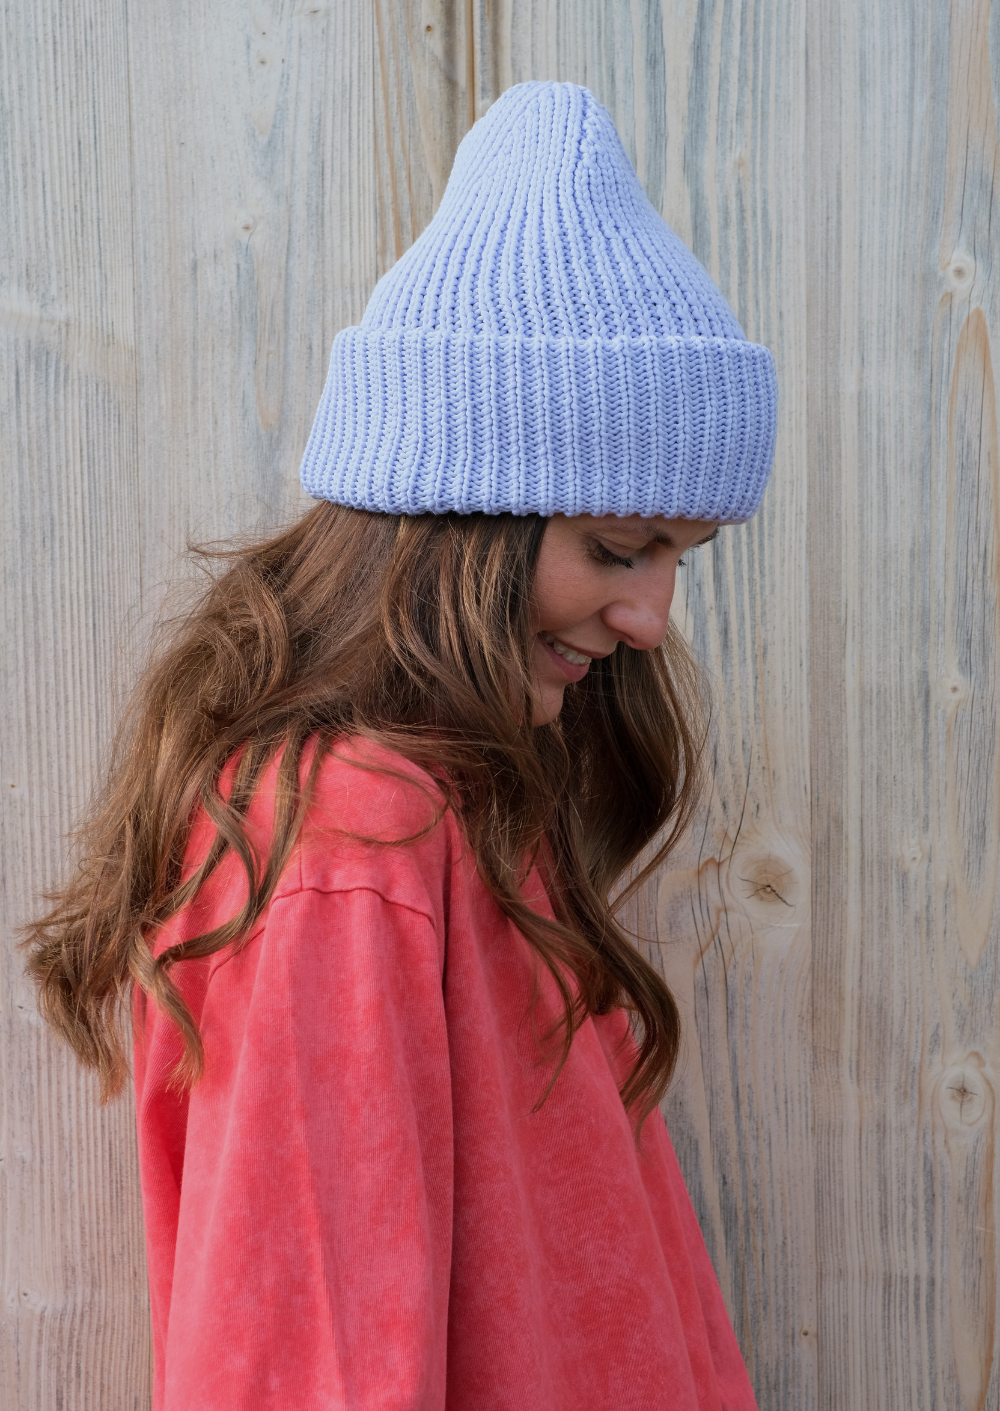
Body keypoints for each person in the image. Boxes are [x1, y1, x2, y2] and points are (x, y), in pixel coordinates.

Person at [25, 81, 776, 1410]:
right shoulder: (347, 845)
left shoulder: (462, 802)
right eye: (620, 547)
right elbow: (312, 1357)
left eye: (680, 557)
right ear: (457, 523)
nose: (652, 618)